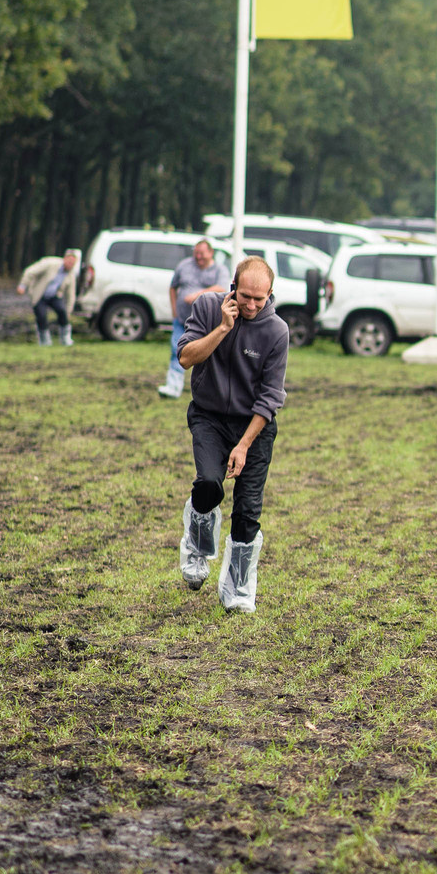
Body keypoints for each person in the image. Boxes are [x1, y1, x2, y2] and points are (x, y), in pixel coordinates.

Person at [175, 256, 289, 612]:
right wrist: (223, 328)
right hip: (208, 416)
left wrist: (243, 445)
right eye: (245, 297)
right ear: (233, 288)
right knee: (209, 485)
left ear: (270, 294)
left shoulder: (277, 331)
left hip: (254, 425)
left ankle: (237, 589)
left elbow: (270, 397)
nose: (252, 305)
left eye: (260, 299)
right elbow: (186, 358)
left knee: (247, 511)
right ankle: (197, 545)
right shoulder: (209, 308)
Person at [162, 240, 231, 399]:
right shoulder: (184, 265)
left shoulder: (219, 270)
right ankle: (173, 387)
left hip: (207, 323)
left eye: (202, 254)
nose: (198, 257)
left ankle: (210, 390)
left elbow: (221, 288)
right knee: (177, 350)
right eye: (196, 253)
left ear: (211, 253)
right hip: (182, 319)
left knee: (209, 355)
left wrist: (197, 295)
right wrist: (174, 310)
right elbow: (173, 287)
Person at [17, 251, 80, 347]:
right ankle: (44, 341)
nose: (70, 265)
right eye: (69, 262)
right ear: (64, 259)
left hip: (54, 295)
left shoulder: (71, 274)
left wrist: (68, 312)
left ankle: (66, 339)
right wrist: (23, 285)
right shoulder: (50, 263)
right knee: (41, 316)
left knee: (62, 312)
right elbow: (30, 271)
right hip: (40, 294)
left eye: (73, 263)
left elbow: (71, 295)